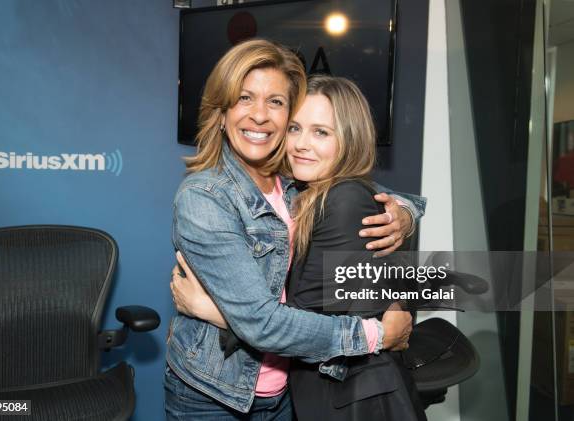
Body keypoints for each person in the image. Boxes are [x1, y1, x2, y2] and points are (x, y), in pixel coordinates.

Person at [166, 39, 425, 420]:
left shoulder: (292, 181)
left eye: (275, 102)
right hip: (216, 394)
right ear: (221, 113)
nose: (259, 115)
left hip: (287, 390)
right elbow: (262, 322)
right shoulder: (205, 197)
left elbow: (366, 188)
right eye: (243, 98)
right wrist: (377, 335)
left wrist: (405, 210)